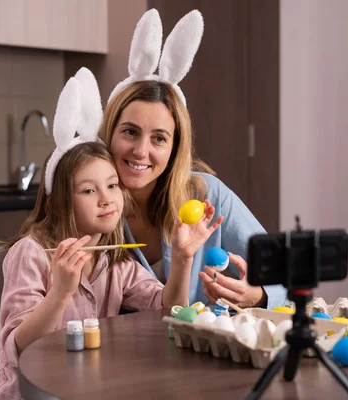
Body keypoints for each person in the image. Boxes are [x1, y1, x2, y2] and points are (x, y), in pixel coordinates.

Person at [0, 69, 222, 400]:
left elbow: (169, 310)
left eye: (112, 185)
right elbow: (17, 346)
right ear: (61, 200)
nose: (107, 199)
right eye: (88, 190)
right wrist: (60, 294)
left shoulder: (114, 258)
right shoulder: (32, 253)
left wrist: (183, 259)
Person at [99, 9, 287, 309]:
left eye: (159, 138)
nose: (141, 151)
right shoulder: (91, 206)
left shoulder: (207, 195)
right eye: (130, 132)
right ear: (108, 134)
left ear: (175, 148)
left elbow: (284, 272)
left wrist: (259, 295)